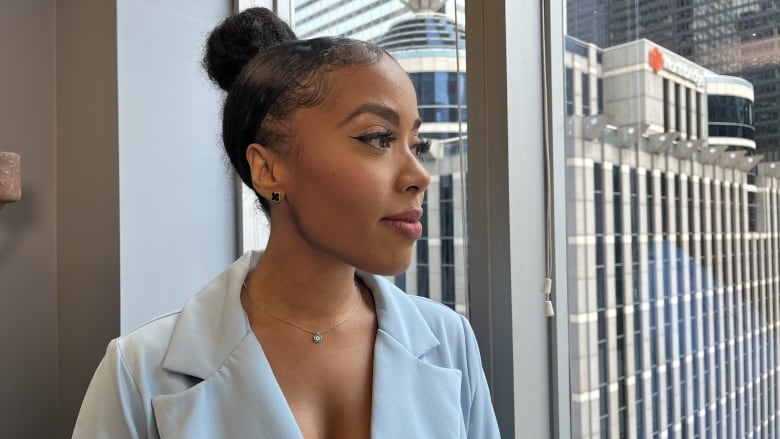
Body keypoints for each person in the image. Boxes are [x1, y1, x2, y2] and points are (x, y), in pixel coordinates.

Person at [72, 7, 500, 438]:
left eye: (416, 145)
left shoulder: (450, 342)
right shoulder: (139, 372)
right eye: (377, 138)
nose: (420, 176)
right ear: (269, 171)